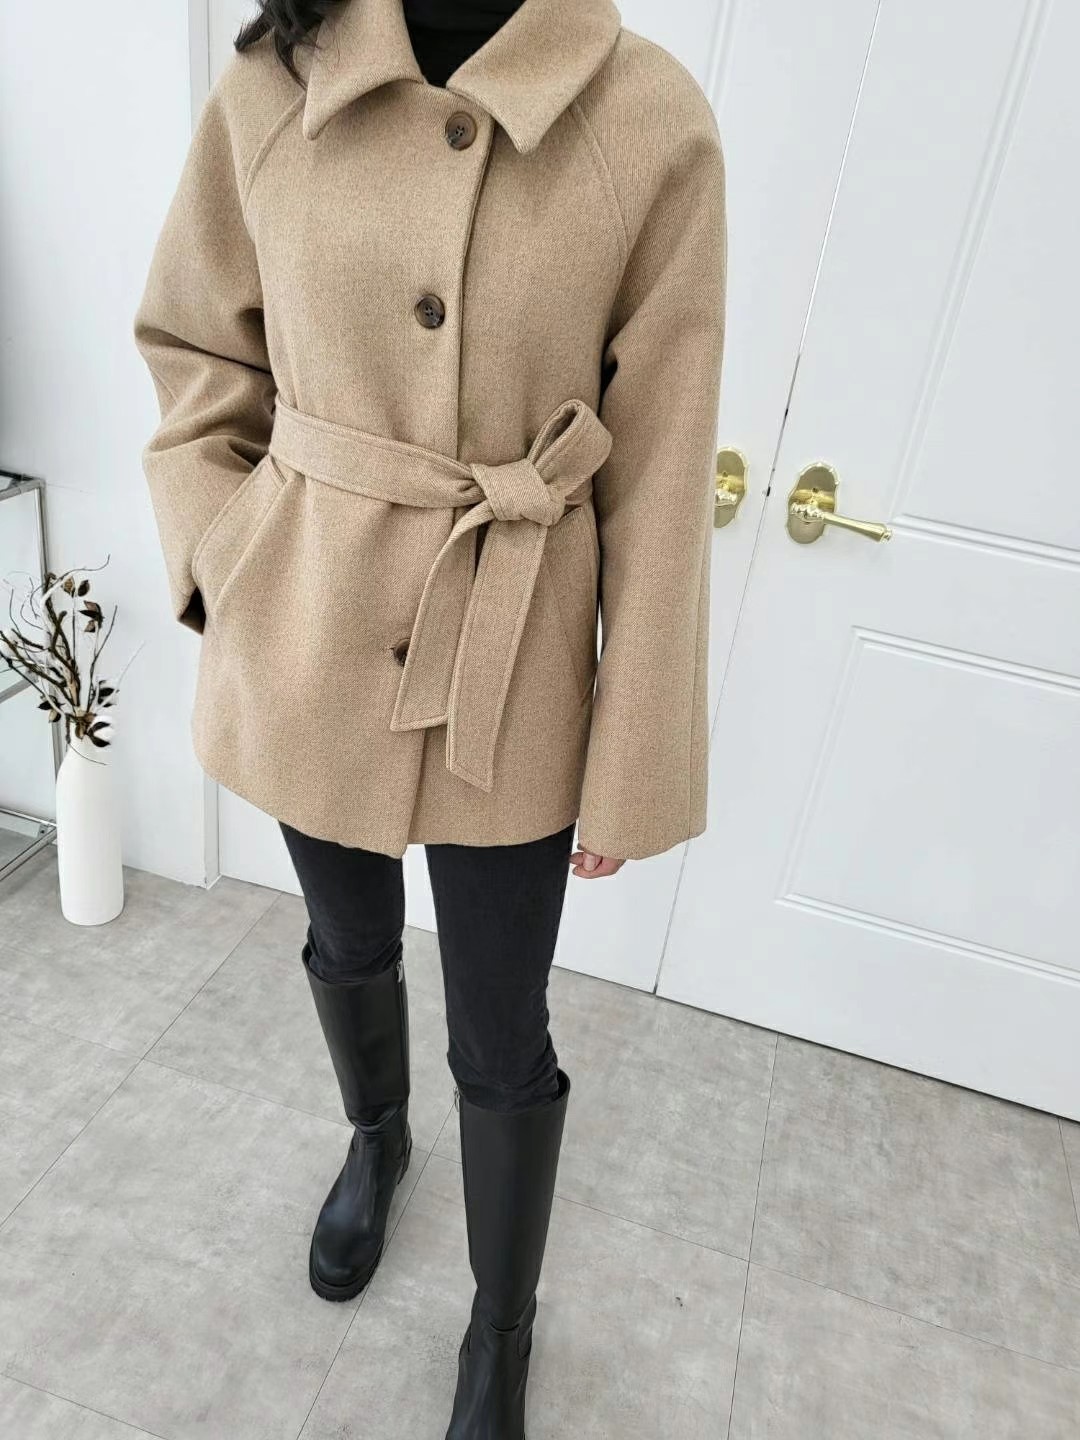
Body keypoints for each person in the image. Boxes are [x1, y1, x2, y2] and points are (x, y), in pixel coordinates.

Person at [132, 0, 727, 1433]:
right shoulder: (276, 81)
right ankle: (376, 1140)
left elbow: (661, 471)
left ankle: (501, 1328)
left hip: (513, 656)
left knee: (502, 1032)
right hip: (310, 631)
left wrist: (632, 754)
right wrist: (225, 555)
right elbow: (197, 345)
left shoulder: (648, 119)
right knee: (345, 939)